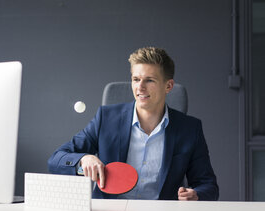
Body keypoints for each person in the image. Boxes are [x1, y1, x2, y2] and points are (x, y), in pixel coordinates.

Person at [48, 47, 219, 201]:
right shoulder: (106, 119)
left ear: (168, 86)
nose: (140, 87)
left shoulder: (190, 129)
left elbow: (208, 186)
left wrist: (196, 195)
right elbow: (56, 160)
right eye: (136, 79)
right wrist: (83, 159)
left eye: (149, 80)